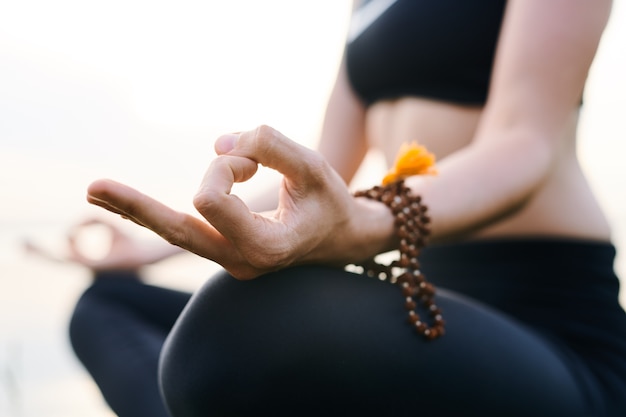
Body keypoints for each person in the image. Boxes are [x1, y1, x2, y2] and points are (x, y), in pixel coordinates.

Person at [33, 0, 626, 415]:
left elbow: (524, 143)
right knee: (106, 305)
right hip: (429, 294)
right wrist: (152, 247)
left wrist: (371, 223)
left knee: (231, 331)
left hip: (545, 318)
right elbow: (324, 174)